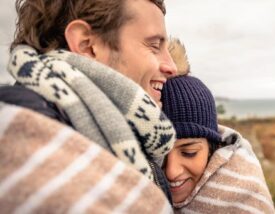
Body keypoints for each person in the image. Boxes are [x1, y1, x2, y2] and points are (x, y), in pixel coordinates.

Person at [0, 0, 178, 210]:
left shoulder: (131, 134)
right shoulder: (20, 134)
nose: (172, 67)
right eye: (154, 46)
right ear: (87, 45)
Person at [161, 75, 275, 213]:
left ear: (213, 148)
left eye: (189, 153)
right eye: (157, 153)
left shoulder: (245, 201)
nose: (171, 172)